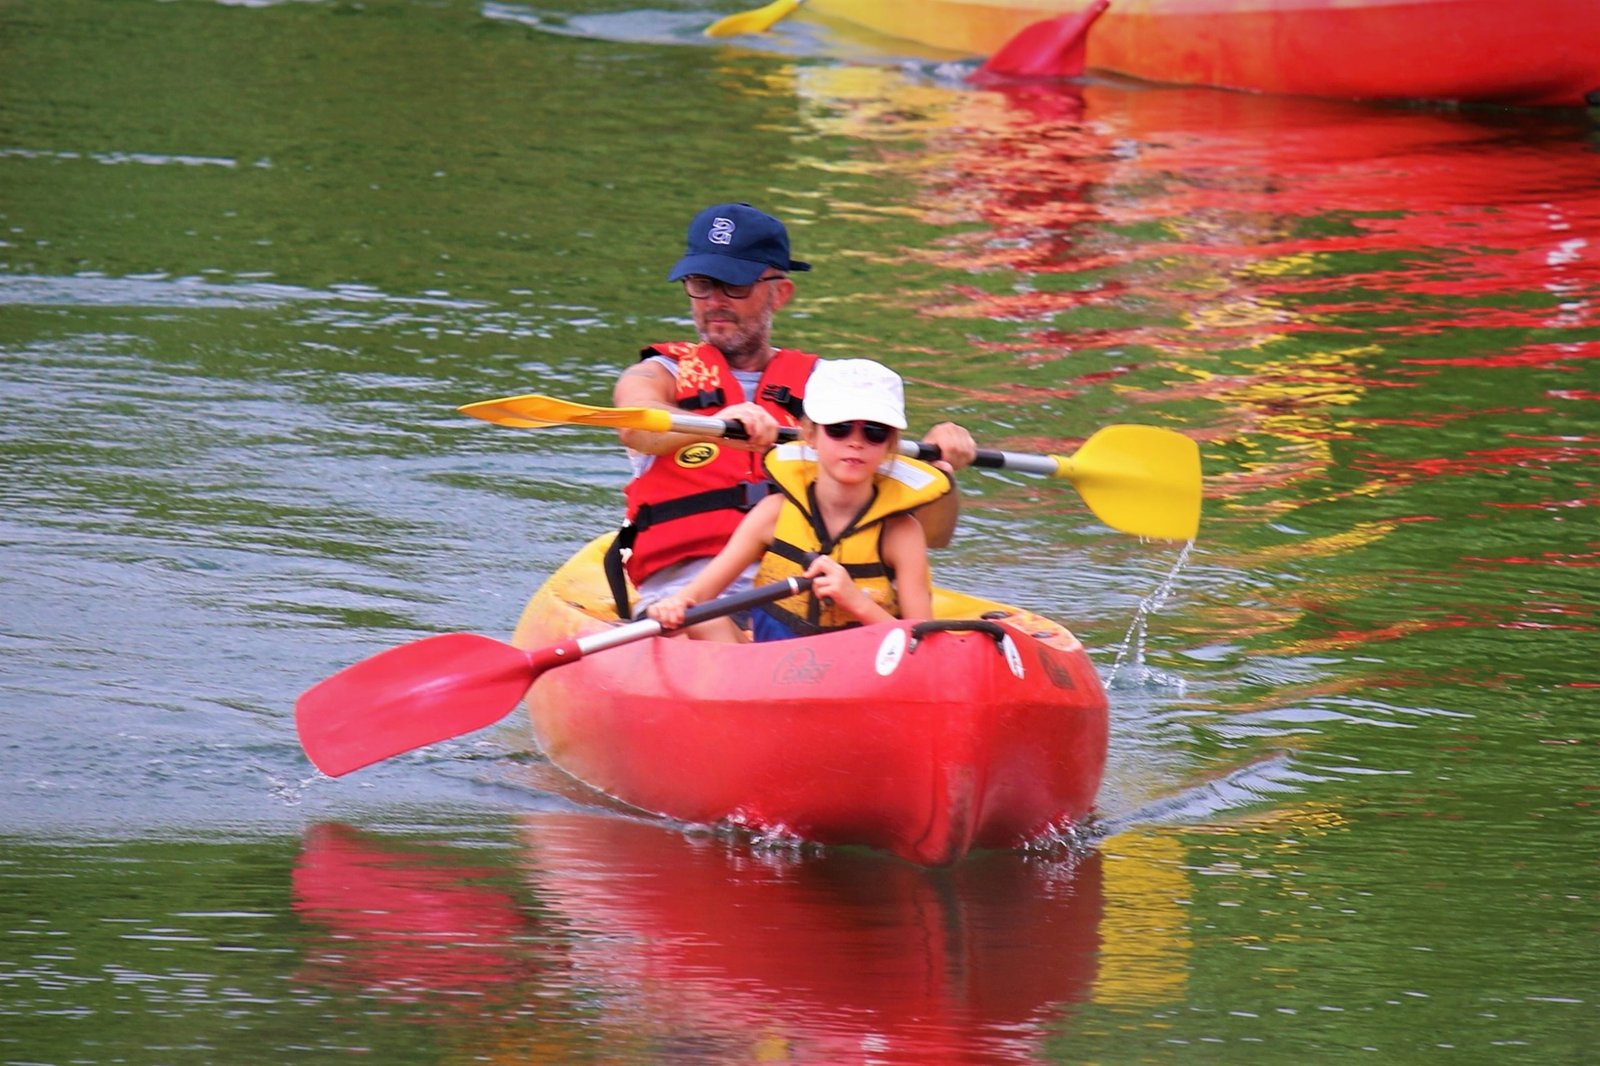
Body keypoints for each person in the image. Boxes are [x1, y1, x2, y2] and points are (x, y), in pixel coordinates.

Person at [608, 202, 976, 633]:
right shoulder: (657, 375)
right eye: (702, 284)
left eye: (734, 286)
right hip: (692, 592)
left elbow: (931, 533)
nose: (715, 302)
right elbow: (636, 424)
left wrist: (938, 469)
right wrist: (724, 424)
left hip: (808, 587)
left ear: (779, 294)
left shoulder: (833, 393)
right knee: (714, 627)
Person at [646, 359, 949, 643]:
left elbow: (921, 644)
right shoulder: (773, 513)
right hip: (768, 670)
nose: (856, 442)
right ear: (810, 435)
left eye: (874, 432)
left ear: (890, 445)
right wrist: (674, 607)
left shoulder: (900, 533)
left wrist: (856, 602)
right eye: (839, 428)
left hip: (861, 674)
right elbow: (698, 593)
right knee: (701, 619)